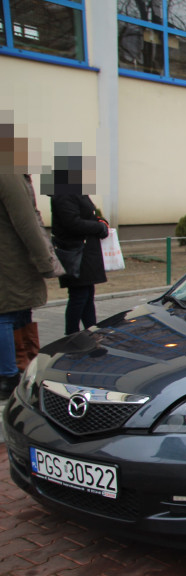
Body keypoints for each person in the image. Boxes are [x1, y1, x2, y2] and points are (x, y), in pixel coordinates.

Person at [0, 121, 62, 399]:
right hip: (11, 259)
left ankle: (21, 368)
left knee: (18, 311)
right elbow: (26, 222)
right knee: (7, 313)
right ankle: (10, 376)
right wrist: (47, 262)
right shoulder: (8, 172)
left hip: (9, 257)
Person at [47, 150, 109, 336]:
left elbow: (87, 214)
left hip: (84, 252)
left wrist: (100, 221)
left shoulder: (75, 190)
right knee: (79, 296)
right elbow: (72, 223)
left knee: (87, 295)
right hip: (76, 253)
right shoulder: (64, 193)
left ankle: (92, 332)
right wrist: (98, 227)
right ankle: (72, 336)